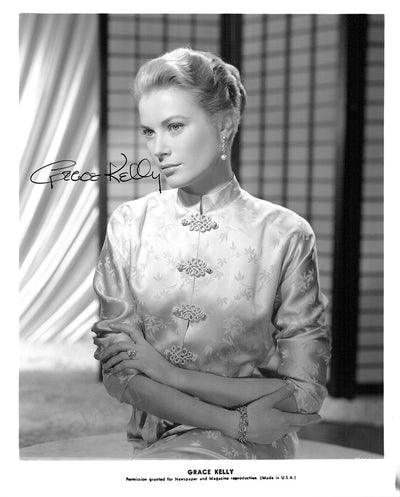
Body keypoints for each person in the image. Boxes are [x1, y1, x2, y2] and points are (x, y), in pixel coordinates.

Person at [92, 47, 331, 459]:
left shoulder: (285, 234)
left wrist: (170, 375)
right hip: (174, 435)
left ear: (225, 124)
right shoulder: (129, 225)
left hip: (258, 440)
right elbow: (120, 374)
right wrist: (230, 420)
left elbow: (306, 392)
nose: (158, 148)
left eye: (175, 126)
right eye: (149, 131)